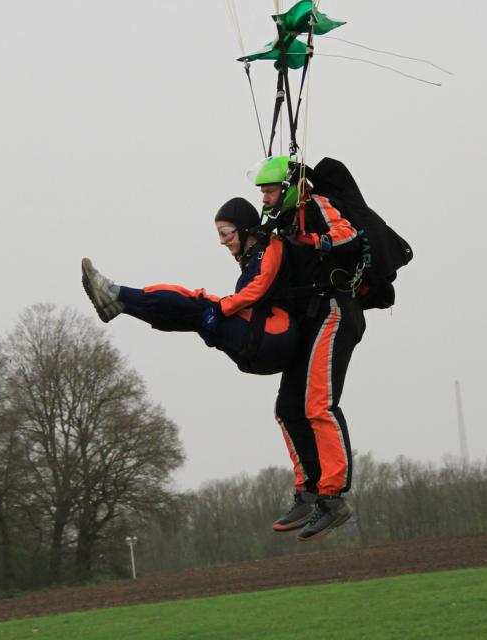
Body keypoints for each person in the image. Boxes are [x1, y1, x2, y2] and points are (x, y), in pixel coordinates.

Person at [253, 155, 366, 542]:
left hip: (334, 309)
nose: (264, 198)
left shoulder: (316, 206)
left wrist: (309, 240)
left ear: (287, 189)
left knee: (318, 404)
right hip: (305, 317)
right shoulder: (278, 221)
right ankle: (309, 491)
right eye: (262, 192)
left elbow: (349, 237)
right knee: (287, 408)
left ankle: (333, 498)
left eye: (269, 191)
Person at [80, 198, 297, 376]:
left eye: (225, 233)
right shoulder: (251, 257)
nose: (222, 241)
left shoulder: (270, 246)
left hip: (274, 336)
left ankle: (115, 291)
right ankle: (120, 306)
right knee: (191, 317)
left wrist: (220, 309)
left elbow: (259, 287)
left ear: (243, 228)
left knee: (199, 302)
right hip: (261, 346)